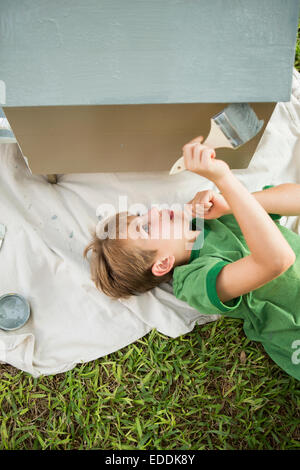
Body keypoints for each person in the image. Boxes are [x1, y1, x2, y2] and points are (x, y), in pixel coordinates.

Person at [84, 136, 300, 380]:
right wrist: (224, 179)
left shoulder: (215, 218)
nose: (154, 211)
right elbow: (277, 260)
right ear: (163, 263)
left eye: (142, 215)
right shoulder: (193, 280)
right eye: (146, 228)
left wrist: (229, 203)